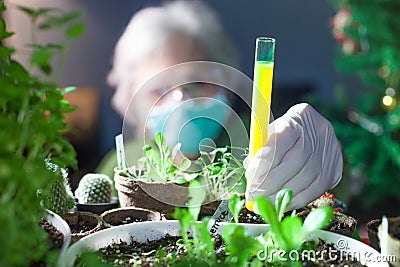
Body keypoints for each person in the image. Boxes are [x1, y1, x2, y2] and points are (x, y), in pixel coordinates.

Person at [97, 0, 343, 210]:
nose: (181, 100)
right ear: (131, 100)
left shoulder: (263, 141)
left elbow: (337, 192)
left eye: (198, 82)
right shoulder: (120, 163)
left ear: (225, 80)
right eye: (159, 90)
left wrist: (317, 154)